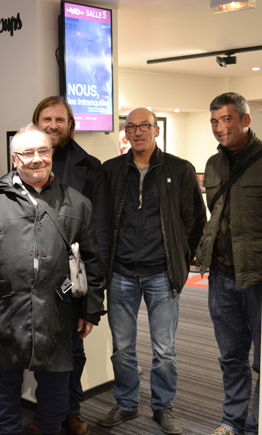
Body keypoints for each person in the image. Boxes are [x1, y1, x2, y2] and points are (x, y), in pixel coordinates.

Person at [0, 124, 106, 435]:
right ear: (15, 158)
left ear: (51, 154)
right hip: (4, 313)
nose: (36, 158)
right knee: (5, 385)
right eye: (28, 152)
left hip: (58, 312)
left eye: (43, 151)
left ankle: (50, 428)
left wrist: (90, 310)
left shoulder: (78, 203)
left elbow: (91, 262)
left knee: (55, 388)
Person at [97, 107, 206, 434]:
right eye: (132, 127)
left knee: (164, 350)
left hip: (162, 274)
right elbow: (102, 222)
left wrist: (182, 259)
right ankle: (127, 403)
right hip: (120, 274)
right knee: (123, 348)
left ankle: (164, 407)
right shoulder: (111, 170)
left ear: (156, 131)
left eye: (145, 126)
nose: (138, 132)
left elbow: (195, 222)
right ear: (126, 133)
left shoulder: (180, 169)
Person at [32, 96, 109, 435]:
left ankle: (71, 411)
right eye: (46, 119)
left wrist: (93, 300)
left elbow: (100, 235)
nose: (52, 125)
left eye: (59, 120)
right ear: (37, 124)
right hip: (33, 280)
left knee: (74, 351)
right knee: (40, 350)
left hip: (72, 280)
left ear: (70, 124)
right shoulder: (23, 166)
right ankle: (50, 411)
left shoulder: (90, 167)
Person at [196, 92, 262, 435]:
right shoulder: (213, 164)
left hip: (258, 278)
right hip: (221, 276)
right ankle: (233, 421)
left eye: (227, 120)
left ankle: (256, 424)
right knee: (231, 356)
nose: (220, 128)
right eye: (214, 121)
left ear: (245, 120)